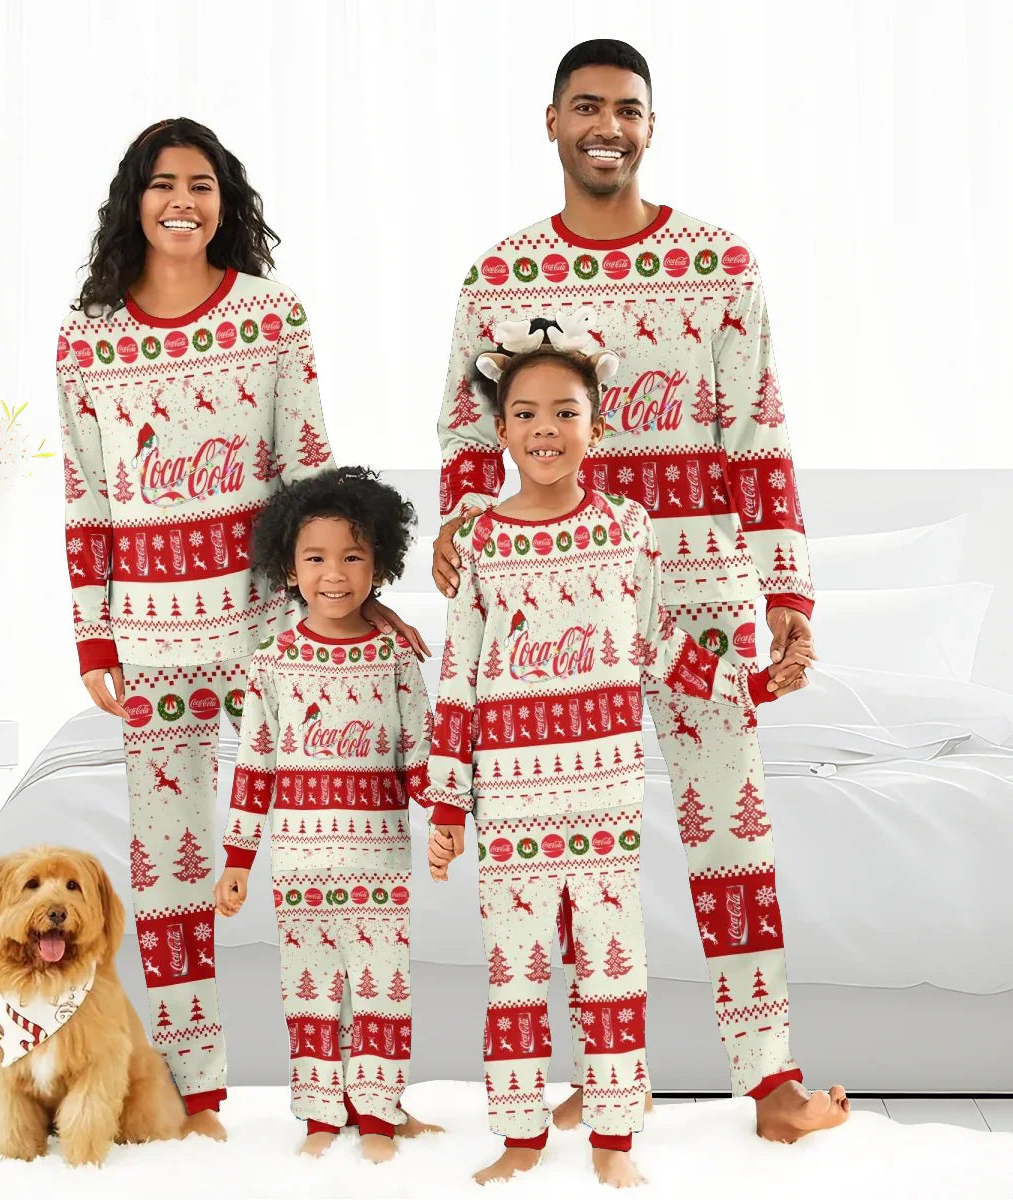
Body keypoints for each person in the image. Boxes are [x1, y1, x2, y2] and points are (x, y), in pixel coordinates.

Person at [432, 40, 850, 1145]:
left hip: (707, 586)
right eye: (586, 107)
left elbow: (760, 431)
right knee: (570, 847)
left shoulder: (722, 262)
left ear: (651, 127)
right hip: (558, 613)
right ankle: (601, 1075)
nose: (606, 125)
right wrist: (462, 530)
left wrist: (788, 583)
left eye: (627, 109)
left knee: (731, 837)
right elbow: (468, 439)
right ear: (553, 122)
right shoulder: (501, 275)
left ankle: (769, 1084)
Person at [57, 118, 425, 1127]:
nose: (185, 198)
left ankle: (352, 1087)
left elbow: (310, 472)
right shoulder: (88, 334)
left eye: (204, 183)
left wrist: (356, 595)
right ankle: (196, 1090)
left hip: (273, 629)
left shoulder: (271, 316)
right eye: (165, 182)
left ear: (227, 202)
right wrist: (94, 634)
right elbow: (86, 493)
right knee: (169, 867)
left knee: (320, 845)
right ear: (135, 199)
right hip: (149, 637)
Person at [426, 333, 801, 1186]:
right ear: (501, 430)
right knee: (514, 976)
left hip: (604, 800)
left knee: (612, 972)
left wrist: (749, 685)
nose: (545, 429)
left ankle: (614, 1141)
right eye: (525, 414)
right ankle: (520, 1139)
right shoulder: (480, 540)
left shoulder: (625, 528)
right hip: (513, 803)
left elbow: (652, 643)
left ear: (597, 425)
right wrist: (448, 804)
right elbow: (459, 679)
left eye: (565, 412)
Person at [214, 467, 442, 1162]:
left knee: (382, 992)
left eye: (353, 557)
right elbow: (255, 768)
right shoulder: (272, 665)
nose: (335, 575)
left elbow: (419, 754)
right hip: (300, 870)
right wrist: (237, 863)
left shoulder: (397, 657)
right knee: (310, 995)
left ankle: (379, 1115)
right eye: (315, 558)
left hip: (380, 868)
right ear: (289, 566)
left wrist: (448, 818)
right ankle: (320, 1115)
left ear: (381, 564)